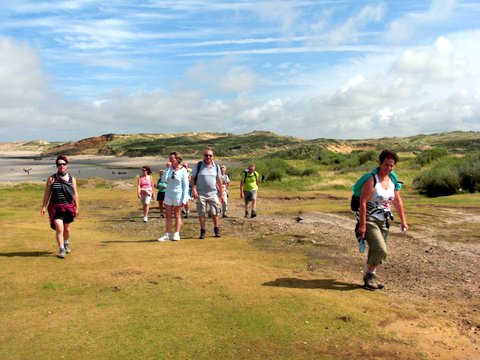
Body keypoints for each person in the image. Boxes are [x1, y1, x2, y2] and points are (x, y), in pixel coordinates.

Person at [356, 149, 408, 290]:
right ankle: (369, 276)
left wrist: (403, 220)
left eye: (391, 165)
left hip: (384, 220)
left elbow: (397, 201)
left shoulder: (392, 180)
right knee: (381, 250)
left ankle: (371, 277)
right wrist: (362, 226)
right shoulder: (372, 179)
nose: (389, 168)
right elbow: (363, 202)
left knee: (375, 250)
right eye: (386, 165)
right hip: (370, 218)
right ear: (379, 163)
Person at [40, 155, 79, 259]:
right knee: (59, 229)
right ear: (56, 166)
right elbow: (47, 194)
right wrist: (44, 206)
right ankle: (61, 249)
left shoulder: (72, 179)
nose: (61, 166)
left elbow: (75, 194)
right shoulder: (51, 179)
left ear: (67, 165)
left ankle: (66, 243)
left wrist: (77, 207)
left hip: (68, 207)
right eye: (59, 164)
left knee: (67, 229)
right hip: (55, 207)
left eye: (63, 164)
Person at [190, 149, 224, 239]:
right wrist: (193, 190)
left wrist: (221, 194)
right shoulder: (198, 166)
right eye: (206, 155)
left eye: (210, 155)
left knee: (215, 212)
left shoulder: (216, 166)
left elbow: (219, 181)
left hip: (213, 193)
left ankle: (216, 229)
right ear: (203, 156)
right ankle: (202, 231)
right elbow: (192, 178)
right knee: (202, 213)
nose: (208, 157)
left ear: (213, 156)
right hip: (201, 193)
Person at [158, 152, 189, 241]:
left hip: (178, 195)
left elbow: (185, 185)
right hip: (168, 194)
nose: (170, 160)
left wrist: (184, 199)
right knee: (168, 215)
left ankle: (177, 233)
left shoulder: (183, 170)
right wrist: (167, 168)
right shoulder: (169, 169)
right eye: (170, 158)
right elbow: (164, 179)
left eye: (172, 158)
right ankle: (167, 234)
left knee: (177, 215)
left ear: (177, 159)